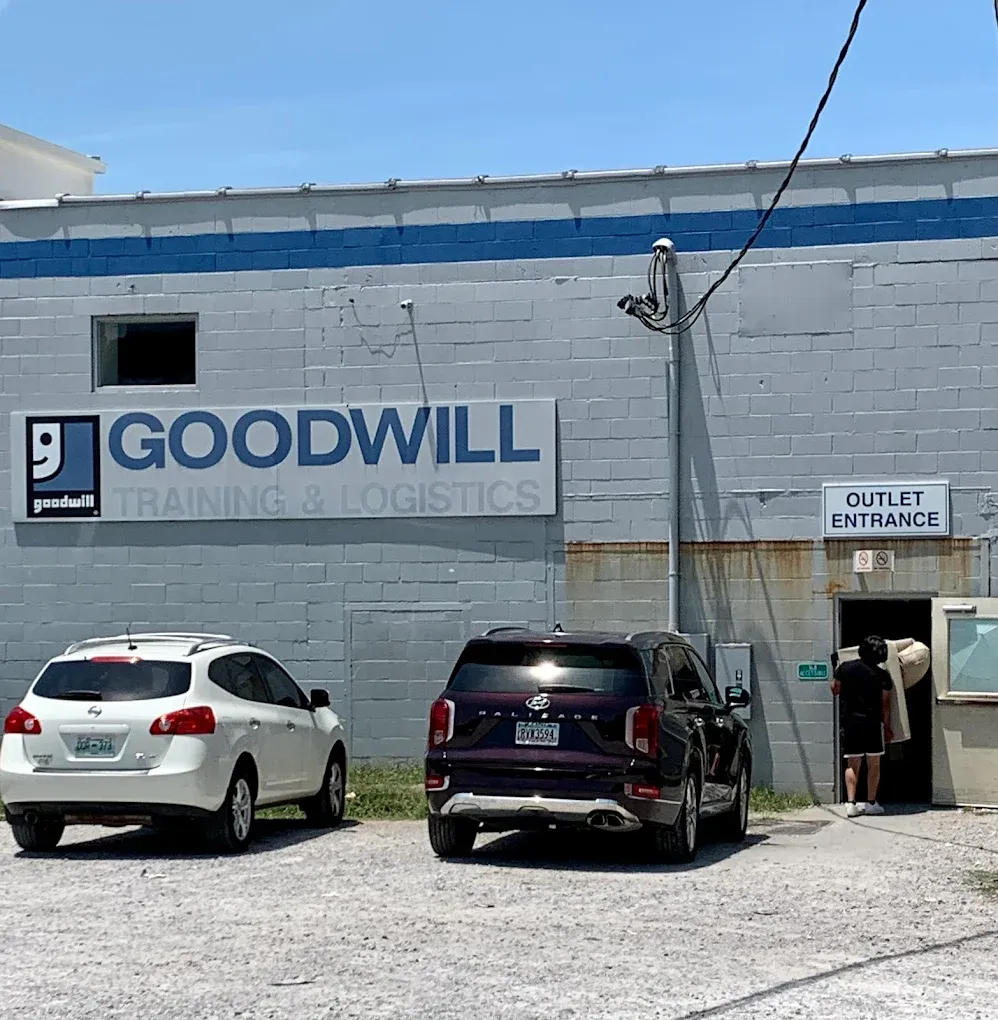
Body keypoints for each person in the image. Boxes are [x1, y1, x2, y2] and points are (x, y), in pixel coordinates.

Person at [830, 635, 893, 817]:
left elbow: (835, 690)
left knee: (852, 763)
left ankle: (851, 804)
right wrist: (887, 727)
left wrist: (836, 673)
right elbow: (886, 705)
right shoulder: (883, 675)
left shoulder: (845, 669)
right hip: (873, 723)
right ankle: (871, 803)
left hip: (850, 722)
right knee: (874, 764)